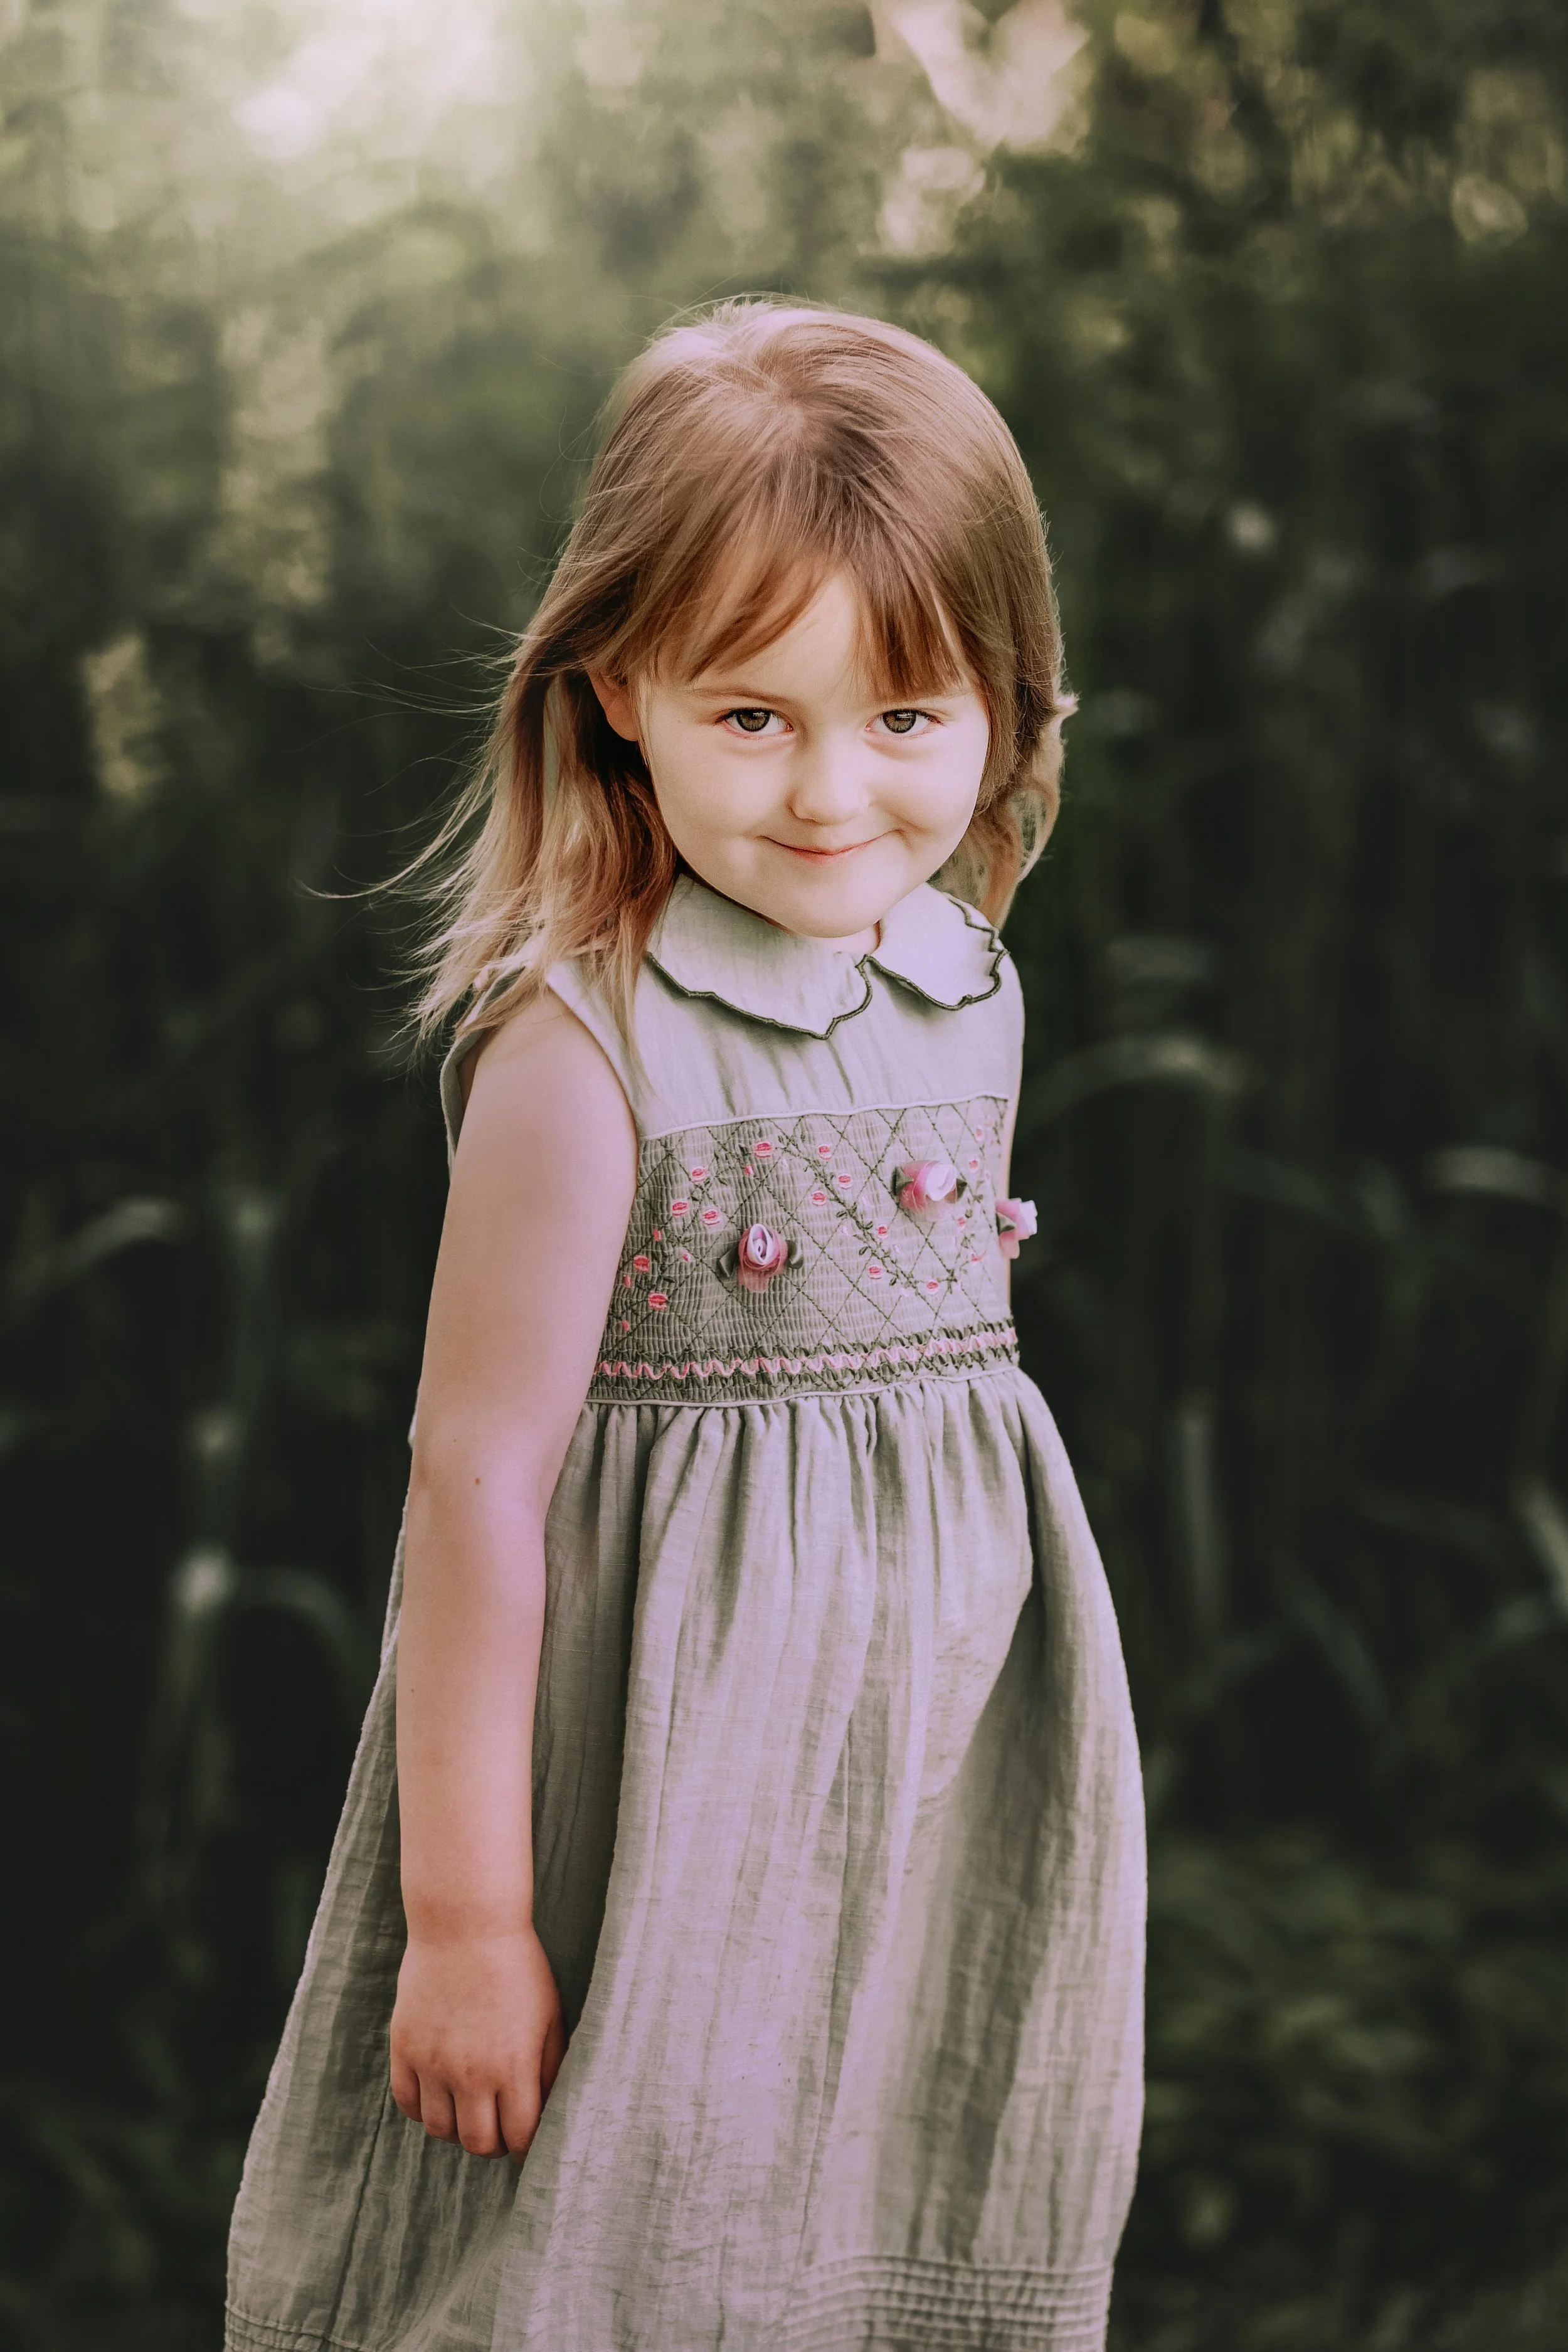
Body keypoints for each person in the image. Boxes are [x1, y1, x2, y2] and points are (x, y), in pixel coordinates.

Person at [225, 300, 1145, 2352]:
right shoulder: (589, 1046)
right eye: (754, 715)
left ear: (1010, 701)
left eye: (907, 716)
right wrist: (469, 1917)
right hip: (663, 1750)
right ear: (617, 690)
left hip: (923, 1744)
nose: (832, 792)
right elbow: (475, 1475)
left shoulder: (968, 979)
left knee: (875, 2192)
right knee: (614, 2242)